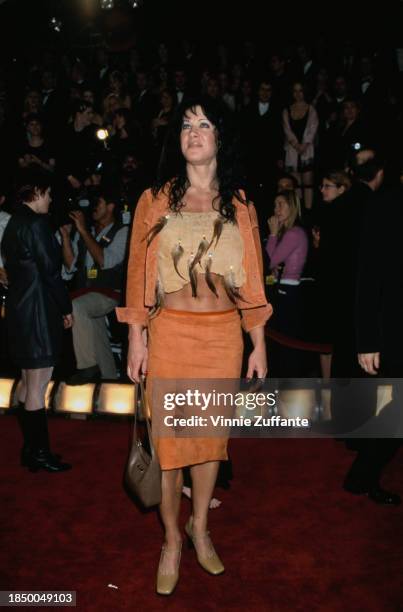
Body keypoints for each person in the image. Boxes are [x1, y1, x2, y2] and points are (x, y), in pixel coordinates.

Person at [116, 97, 271, 595]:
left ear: (220, 138)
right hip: (170, 336)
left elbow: (254, 284)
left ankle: (199, 528)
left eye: (204, 124)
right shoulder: (155, 200)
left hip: (222, 337)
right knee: (171, 446)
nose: (194, 132)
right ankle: (170, 540)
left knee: (208, 445)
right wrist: (136, 338)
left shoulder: (241, 203)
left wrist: (258, 343)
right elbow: (138, 277)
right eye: (186, 125)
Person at [1, 170, 72, 472]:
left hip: (19, 310)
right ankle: (38, 453)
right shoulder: (36, 224)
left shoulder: (13, 223)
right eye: (49, 194)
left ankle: (31, 450)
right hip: (39, 312)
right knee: (37, 385)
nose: (51, 199)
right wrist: (66, 308)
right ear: (38, 192)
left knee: (29, 382)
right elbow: (51, 272)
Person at [61, 186, 129, 384]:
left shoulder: (123, 231)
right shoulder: (86, 232)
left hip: (110, 293)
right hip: (86, 293)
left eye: (98, 203)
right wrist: (66, 237)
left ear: (110, 206)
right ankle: (109, 380)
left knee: (77, 307)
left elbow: (104, 261)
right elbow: (70, 266)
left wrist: (82, 230)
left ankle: (87, 366)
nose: (93, 208)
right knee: (97, 337)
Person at [282, 81, 319, 209]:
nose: (298, 94)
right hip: (292, 151)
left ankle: (308, 211)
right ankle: (298, 212)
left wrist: (304, 145)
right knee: (295, 184)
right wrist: (296, 145)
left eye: (300, 90)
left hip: (307, 151)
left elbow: (312, 128)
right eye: (295, 91)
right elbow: (287, 129)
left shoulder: (311, 109)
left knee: (308, 184)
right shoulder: (287, 110)